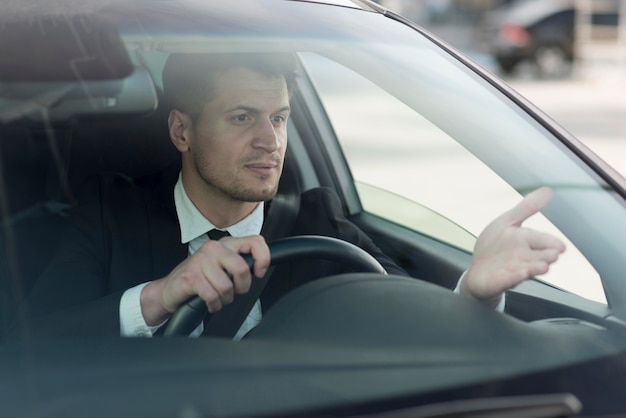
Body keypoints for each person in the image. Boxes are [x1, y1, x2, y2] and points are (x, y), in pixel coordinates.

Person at [10, 52, 565, 340]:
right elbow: (35, 346)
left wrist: (476, 292)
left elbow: (409, 324)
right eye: (242, 117)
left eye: (278, 118)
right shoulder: (109, 212)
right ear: (182, 131)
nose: (270, 141)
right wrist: (161, 294)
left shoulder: (322, 226)